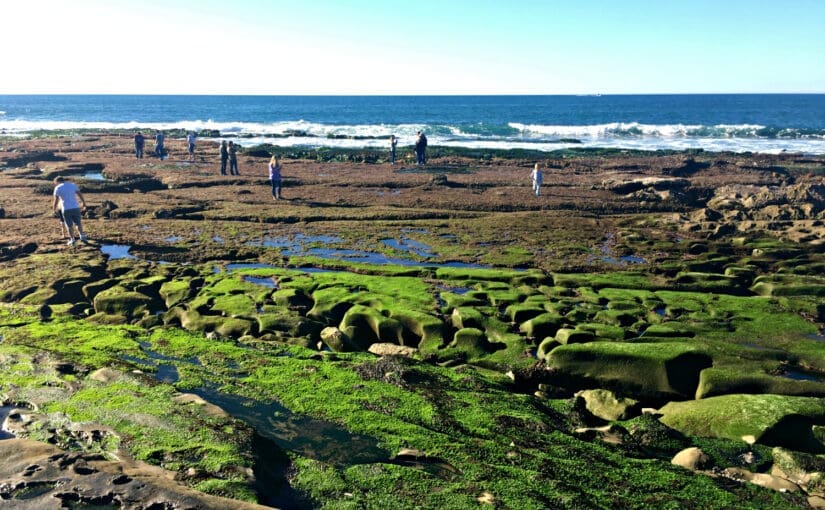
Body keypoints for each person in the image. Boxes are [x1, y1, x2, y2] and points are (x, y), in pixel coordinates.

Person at [52, 176, 87, 246]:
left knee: (69, 225)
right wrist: (83, 203)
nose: (55, 184)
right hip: (75, 207)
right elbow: (79, 194)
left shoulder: (58, 188)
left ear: (57, 182)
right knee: (78, 223)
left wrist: (54, 209)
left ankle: (72, 239)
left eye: (55, 183)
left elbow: (56, 200)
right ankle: (82, 236)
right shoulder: (72, 185)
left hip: (66, 208)